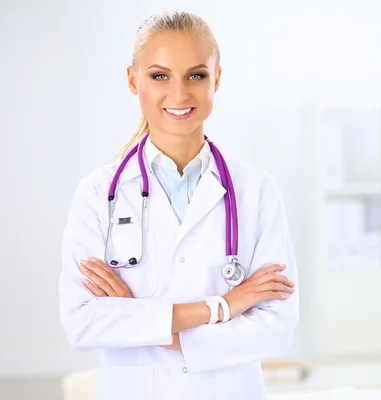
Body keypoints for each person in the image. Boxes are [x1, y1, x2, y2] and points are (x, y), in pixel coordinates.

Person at [58, 10, 299, 400]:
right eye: (159, 76)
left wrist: (137, 319)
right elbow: (81, 323)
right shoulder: (97, 193)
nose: (179, 94)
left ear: (216, 78)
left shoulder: (257, 191)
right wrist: (224, 306)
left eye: (196, 75)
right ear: (133, 80)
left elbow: (276, 328)